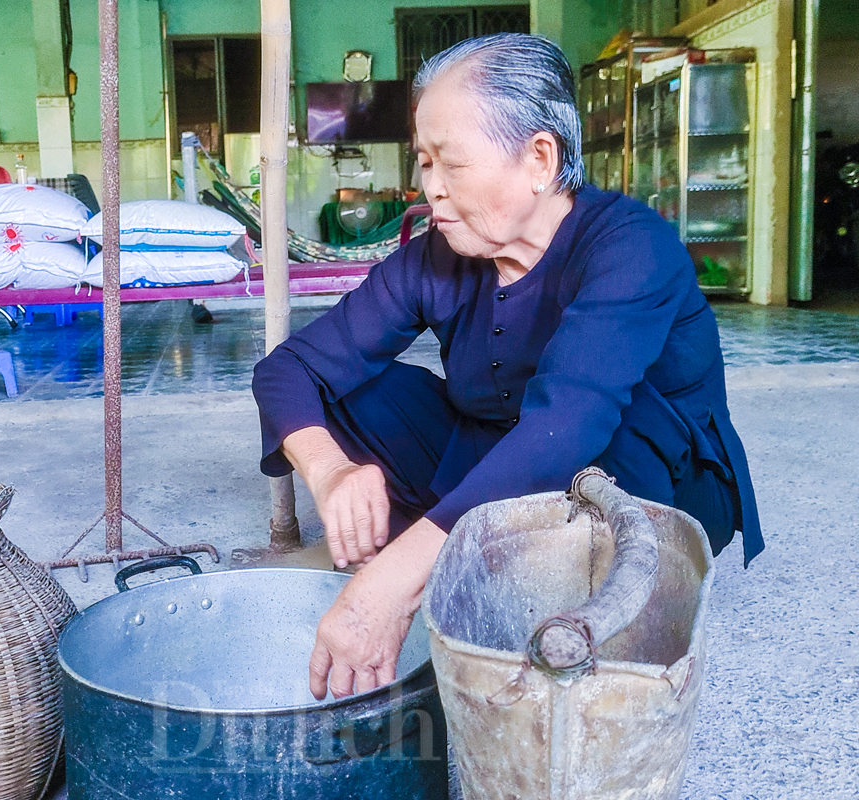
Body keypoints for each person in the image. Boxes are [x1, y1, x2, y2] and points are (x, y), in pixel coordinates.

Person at [251, 33, 762, 702]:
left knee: (609, 424)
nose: (430, 186)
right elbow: (287, 370)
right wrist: (331, 468)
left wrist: (394, 579)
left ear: (539, 158)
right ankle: (477, 541)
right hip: (500, 442)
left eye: (450, 163)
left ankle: (490, 556)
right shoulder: (438, 255)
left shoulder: (631, 245)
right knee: (362, 393)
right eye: (423, 161)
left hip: (642, 475)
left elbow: (566, 428)